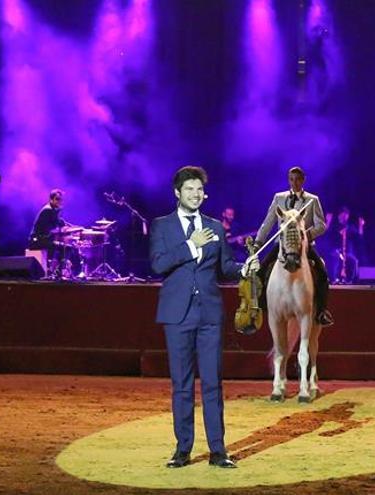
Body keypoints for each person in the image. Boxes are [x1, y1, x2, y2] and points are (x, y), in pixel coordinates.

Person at [150, 165, 258, 469]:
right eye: (189, 189)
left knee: (212, 383)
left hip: (210, 314)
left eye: (199, 189)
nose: (196, 194)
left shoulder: (215, 226)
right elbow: (158, 265)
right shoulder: (162, 226)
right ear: (177, 193)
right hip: (177, 315)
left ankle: (218, 451)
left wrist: (242, 269)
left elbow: (224, 266)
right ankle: (183, 449)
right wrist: (190, 245)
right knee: (182, 385)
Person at [255, 166, 334, 326]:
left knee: (322, 273)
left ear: (303, 180)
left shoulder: (313, 200)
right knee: (261, 271)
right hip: (282, 245)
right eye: (291, 179)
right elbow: (269, 221)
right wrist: (258, 242)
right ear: (288, 180)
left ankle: (321, 311)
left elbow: (321, 225)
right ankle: (261, 306)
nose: (294, 183)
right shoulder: (279, 198)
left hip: (304, 246)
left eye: (298, 179)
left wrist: (306, 235)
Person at [328, 207, 364, 284]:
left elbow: (359, 236)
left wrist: (361, 225)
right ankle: (335, 278)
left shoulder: (349, 227)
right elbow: (329, 238)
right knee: (337, 259)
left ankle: (349, 280)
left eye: (346, 215)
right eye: (343, 214)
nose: (345, 216)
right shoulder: (335, 226)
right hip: (336, 250)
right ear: (339, 216)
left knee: (353, 261)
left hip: (347, 252)